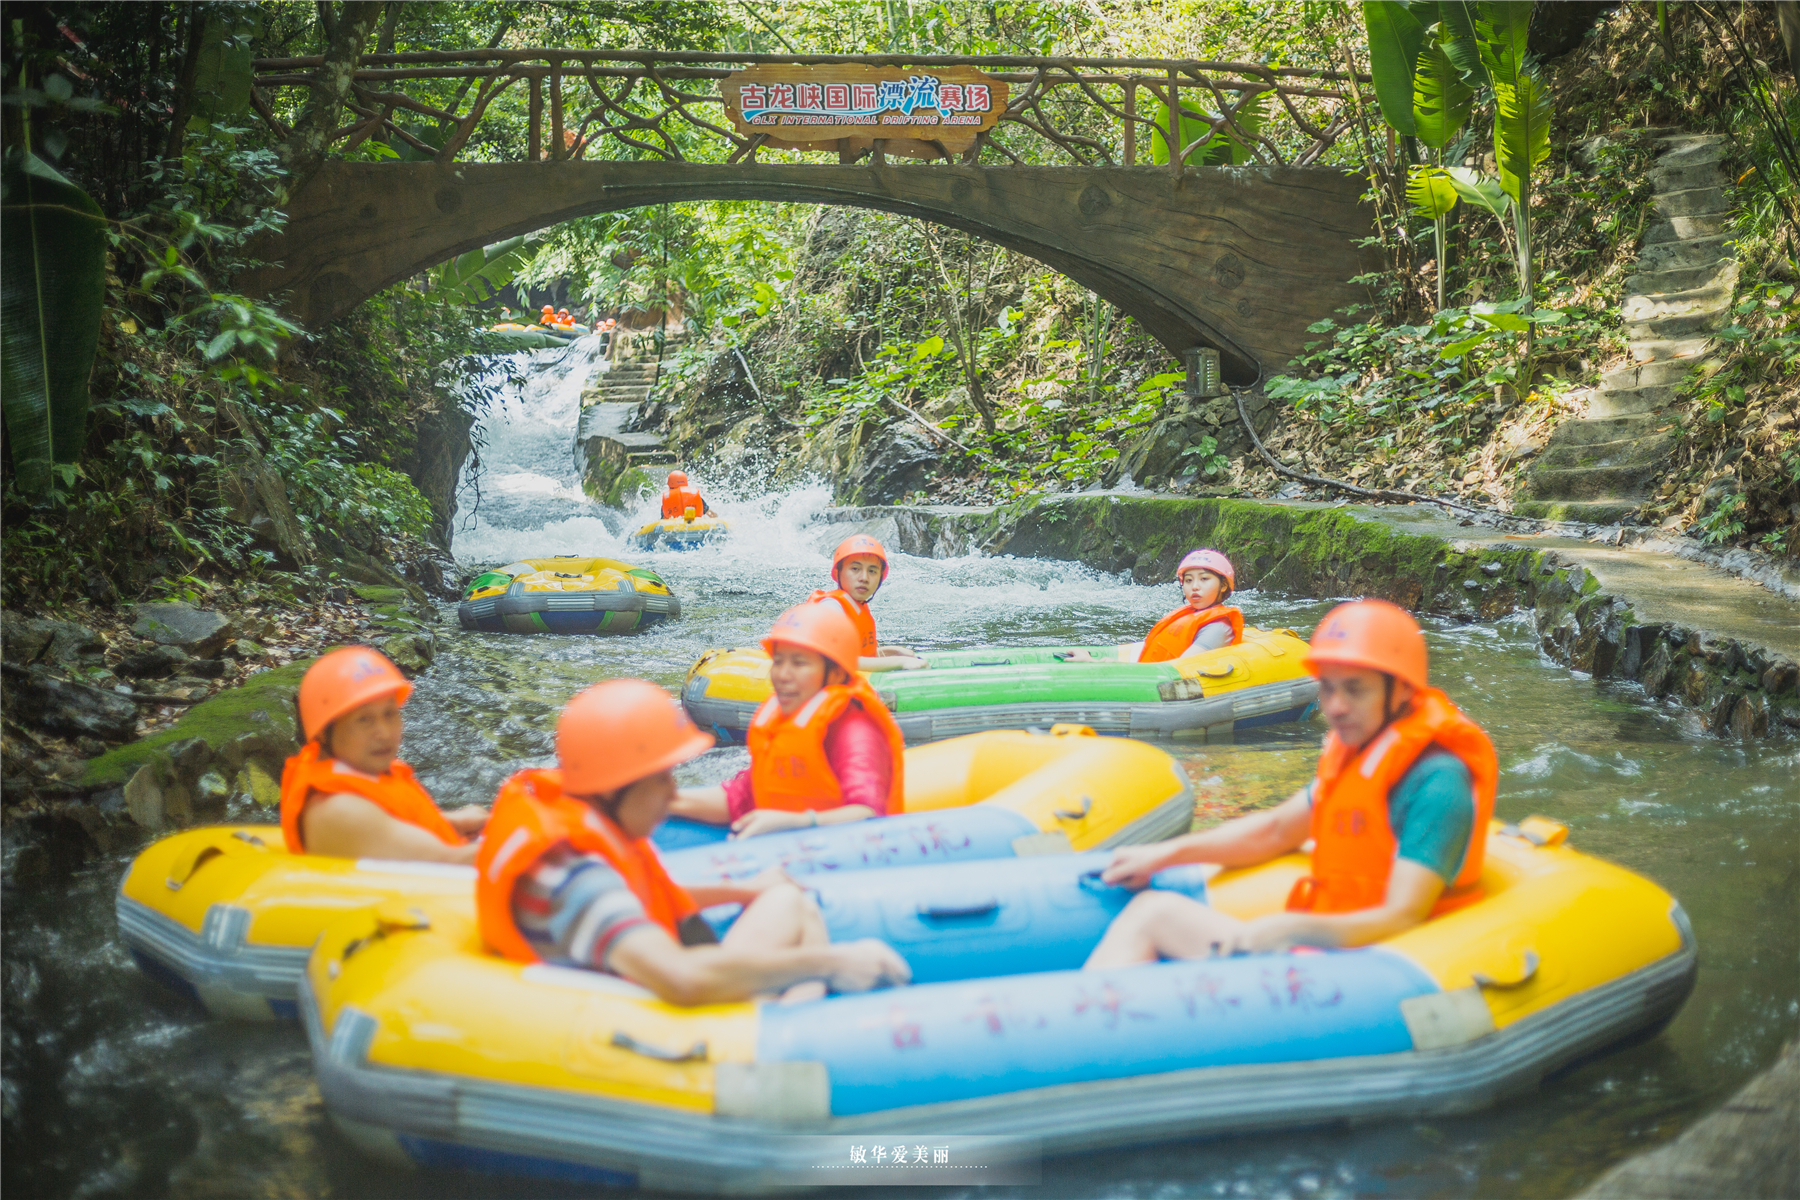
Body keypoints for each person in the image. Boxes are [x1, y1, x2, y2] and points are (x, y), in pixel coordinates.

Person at [1083, 599, 1497, 968]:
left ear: (1402, 689)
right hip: (1330, 945)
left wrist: (1291, 929)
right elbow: (1277, 830)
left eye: (1355, 690)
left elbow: (1402, 914)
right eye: (1329, 688)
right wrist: (1162, 855)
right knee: (1151, 910)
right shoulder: (1361, 751)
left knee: (1154, 915)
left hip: (1375, 966)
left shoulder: (1439, 783)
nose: (1335, 707)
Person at [478, 679, 910, 1005]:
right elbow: (681, 978)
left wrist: (745, 889)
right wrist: (835, 962)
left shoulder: (590, 826)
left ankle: (802, 1015)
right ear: (616, 786)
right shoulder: (575, 879)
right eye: (662, 778)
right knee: (809, 943)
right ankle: (799, 1026)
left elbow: (650, 895)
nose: (673, 794)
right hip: (645, 1024)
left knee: (786, 900)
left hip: (645, 983)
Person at [671, 602, 906, 839]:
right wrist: (668, 800)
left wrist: (799, 822)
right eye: (779, 661)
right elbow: (740, 798)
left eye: (799, 663)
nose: (782, 675)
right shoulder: (784, 722)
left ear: (834, 673)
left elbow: (869, 814)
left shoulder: (855, 728)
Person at [279, 646, 487, 862]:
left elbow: (389, 818)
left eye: (389, 713)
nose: (385, 733)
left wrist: (453, 821)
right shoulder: (337, 812)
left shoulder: (356, 772)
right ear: (323, 732)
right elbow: (453, 863)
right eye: (364, 719)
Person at [1065, 549, 1242, 664]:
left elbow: (1180, 668)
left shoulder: (1218, 627)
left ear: (1224, 585)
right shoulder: (1189, 616)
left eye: (1204, 579)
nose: (1194, 586)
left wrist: (1095, 664)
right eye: (1188, 580)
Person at [809, 534, 923, 672]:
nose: (864, 578)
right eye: (855, 569)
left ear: (880, 577)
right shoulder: (831, 608)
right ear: (838, 572)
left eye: (872, 571)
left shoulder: (857, 605)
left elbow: (856, 653)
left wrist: (888, 652)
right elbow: (839, 661)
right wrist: (901, 662)